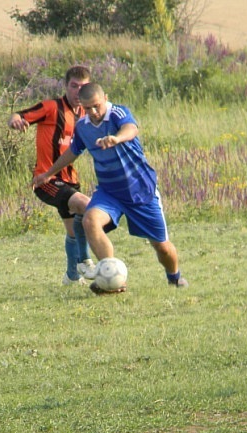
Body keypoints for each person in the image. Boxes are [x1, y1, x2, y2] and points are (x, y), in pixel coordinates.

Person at [33, 82, 188, 294]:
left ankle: (174, 277)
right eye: (87, 108)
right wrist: (48, 174)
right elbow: (73, 152)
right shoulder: (82, 126)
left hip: (140, 191)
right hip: (109, 192)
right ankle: (112, 281)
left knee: (161, 246)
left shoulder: (117, 113)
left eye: (96, 106)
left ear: (105, 98)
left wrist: (116, 138)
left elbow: (131, 129)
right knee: (90, 220)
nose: (93, 112)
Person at [8, 65, 96, 285]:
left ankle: (72, 277)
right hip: (46, 180)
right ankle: (85, 261)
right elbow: (18, 115)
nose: (78, 91)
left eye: (83, 87)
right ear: (65, 86)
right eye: (74, 86)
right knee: (86, 206)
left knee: (73, 231)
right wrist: (15, 120)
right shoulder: (51, 107)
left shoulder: (87, 114)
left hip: (70, 180)